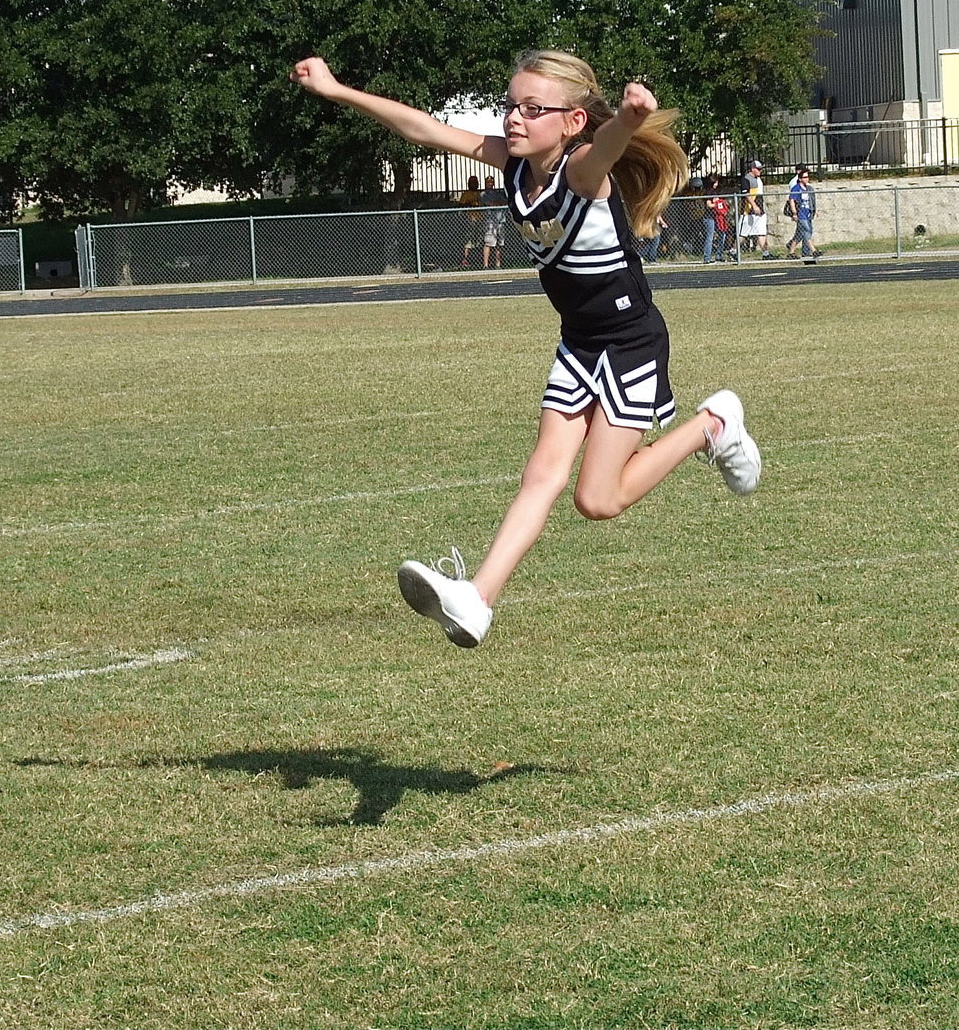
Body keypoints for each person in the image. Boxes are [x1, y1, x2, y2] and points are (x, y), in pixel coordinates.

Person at [291, 51, 762, 649]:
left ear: (571, 122)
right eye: (511, 105)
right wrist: (338, 90)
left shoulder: (582, 171)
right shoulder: (512, 166)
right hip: (578, 342)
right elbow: (425, 129)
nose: (515, 118)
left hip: (630, 343)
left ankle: (713, 424)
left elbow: (609, 144)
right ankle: (478, 599)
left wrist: (629, 117)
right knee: (541, 475)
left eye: (533, 109)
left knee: (597, 499)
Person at [785, 167, 822, 263]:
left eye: (808, 177)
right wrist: (794, 213)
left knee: (799, 235)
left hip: (807, 214)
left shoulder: (808, 188)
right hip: (801, 214)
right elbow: (792, 200)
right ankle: (813, 251)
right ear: (800, 179)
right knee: (807, 231)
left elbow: (811, 201)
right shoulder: (796, 188)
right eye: (805, 177)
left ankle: (791, 252)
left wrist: (815, 211)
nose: (807, 179)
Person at [736, 160, 772, 259]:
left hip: (760, 211)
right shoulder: (746, 179)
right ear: (752, 169)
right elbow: (746, 194)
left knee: (762, 232)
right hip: (748, 212)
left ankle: (765, 253)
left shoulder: (759, 180)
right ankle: (733, 251)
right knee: (743, 234)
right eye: (758, 169)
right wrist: (754, 206)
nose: (760, 171)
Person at [701, 175, 731, 264]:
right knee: (710, 237)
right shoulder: (708, 192)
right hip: (709, 217)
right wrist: (717, 204)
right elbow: (709, 205)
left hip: (718, 217)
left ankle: (719, 255)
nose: (717, 184)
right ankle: (707, 258)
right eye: (716, 182)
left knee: (722, 234)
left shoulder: (716, 192)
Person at [479, 175, 507, 268]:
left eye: (491, 182)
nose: (490, 184)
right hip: (490, 222)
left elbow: (504, 202)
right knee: (488, 242)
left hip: (500, 221)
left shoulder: (498, 193)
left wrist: (498, 203)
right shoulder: (483, 194)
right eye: (488, 182)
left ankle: (498, 264)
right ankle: (486, 265)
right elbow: (489, 203)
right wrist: (497, 203)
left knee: (499, 243)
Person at [458, 175, 483, 267]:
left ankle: (478, 259)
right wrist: (471, 205)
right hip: (470, 219)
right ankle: (465, 259)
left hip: (480, 219)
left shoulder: (480, 194)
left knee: (480, 239)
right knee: (468, 240)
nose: (474, 184)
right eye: (472, 182)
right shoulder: (466, 194)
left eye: (475, 182)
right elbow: (461, 205)